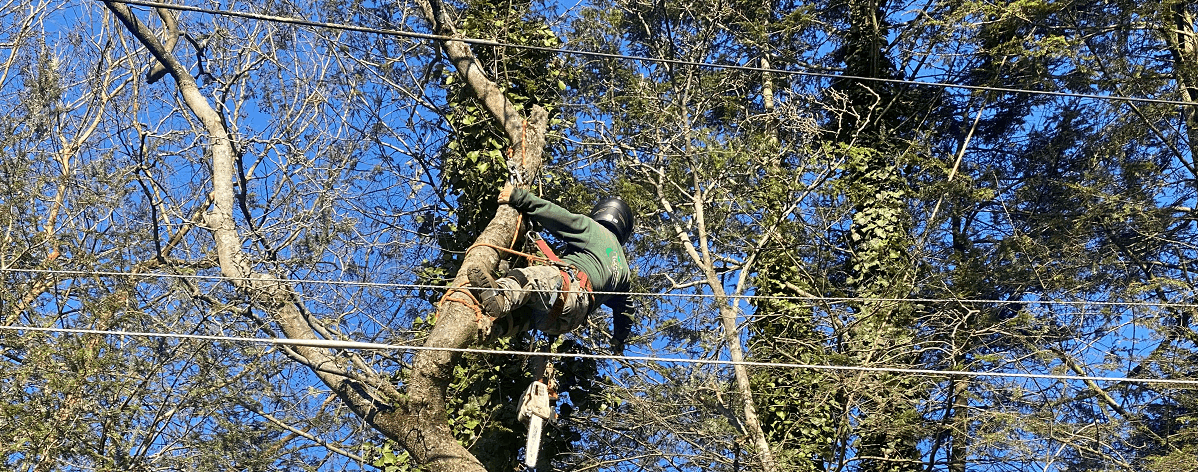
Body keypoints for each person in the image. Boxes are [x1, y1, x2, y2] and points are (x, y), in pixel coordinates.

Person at [469, 183, 633, 353]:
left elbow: (558, 218)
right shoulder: (624, 272)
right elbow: (625, 314)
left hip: (568, 289)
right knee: (527, 313)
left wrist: (518, 197)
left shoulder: (595, 230)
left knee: (529, 279)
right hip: (567, 321)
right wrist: (618, 339)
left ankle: (501, 295)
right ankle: (493, 328)